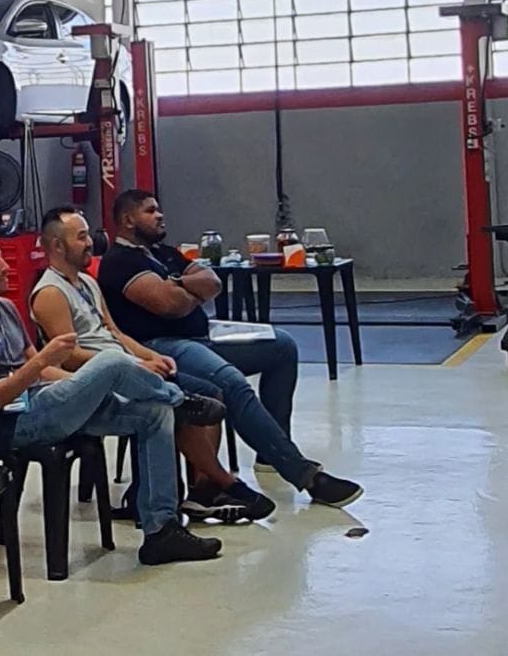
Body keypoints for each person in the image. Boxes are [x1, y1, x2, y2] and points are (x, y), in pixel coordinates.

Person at [0, 231, 225, 565]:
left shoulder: (4, 308)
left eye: (2, 258)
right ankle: (181, 401)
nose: (5, 267)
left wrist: (84, 386)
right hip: (13, 423)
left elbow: (44, 371)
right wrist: (44, 362)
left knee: (154, 412)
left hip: (46, 400)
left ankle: (161, 531)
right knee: (112, 361)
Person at [100, 190, 362, 508]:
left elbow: (213, 282)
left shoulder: (162, 253)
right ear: (128, 220)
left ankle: (270, 449)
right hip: (162, 347)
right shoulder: (120, 262)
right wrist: (189, 290)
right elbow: (168, 305)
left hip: (202, 337)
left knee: (282, 347)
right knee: (231, 382)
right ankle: (306, 476)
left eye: (158, 209)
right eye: (150, 211)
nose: (160, 215)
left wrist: (179, 285)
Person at [31, 205, 275, 523]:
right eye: (81, 237)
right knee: (178, 405)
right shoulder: (50, 293)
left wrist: (148, 357)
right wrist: (130, 365)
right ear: (57, 246)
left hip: (127, 366)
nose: (90, 242)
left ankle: (203, 489)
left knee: (209, 392)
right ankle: (224, 482)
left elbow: (115, 333)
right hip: (100, 379)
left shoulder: (87, 283)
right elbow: (68, 355)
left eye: (88, 235)